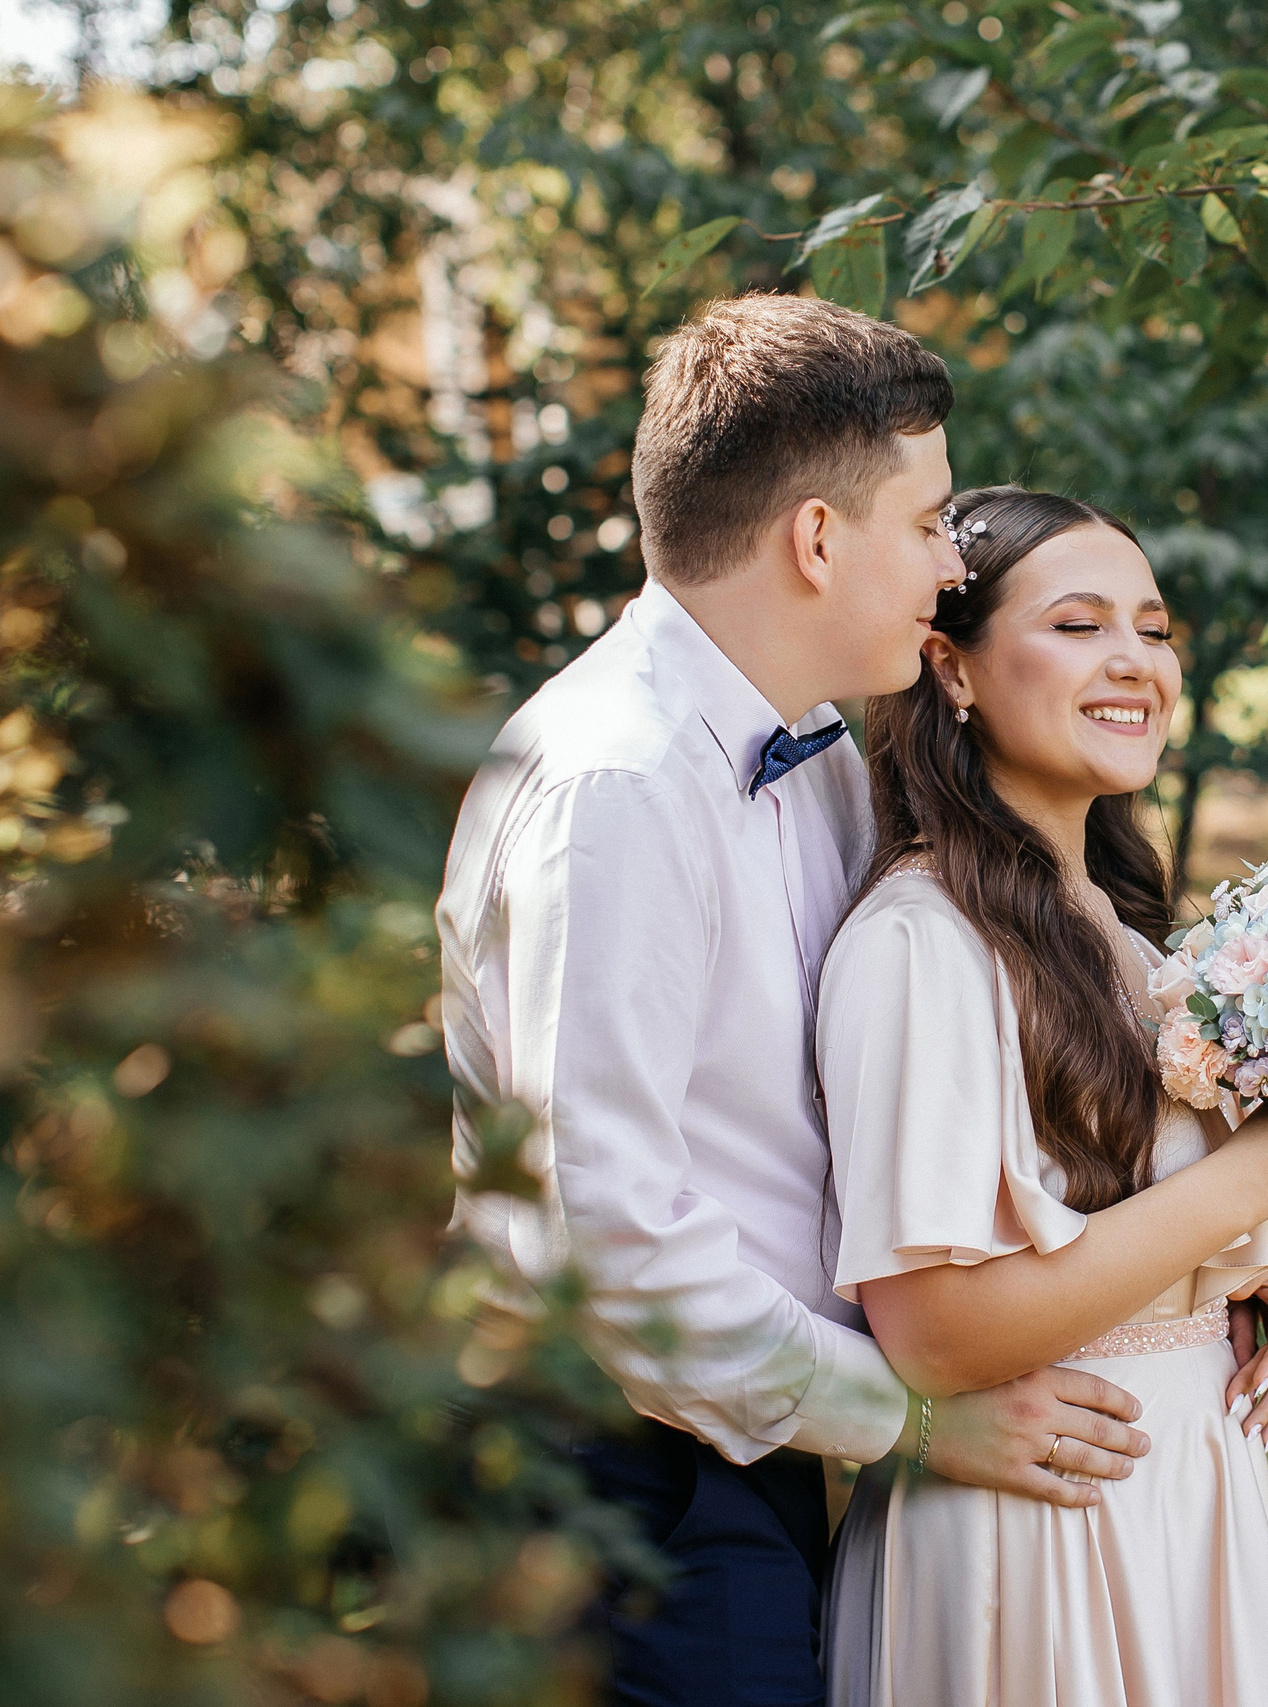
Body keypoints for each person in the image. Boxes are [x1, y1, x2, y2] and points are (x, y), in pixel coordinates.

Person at [434, 300, 1161, 1707]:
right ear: (818, 539)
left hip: (752, 1435)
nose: (951, 569)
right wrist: (916, 1414)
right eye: (930, 522)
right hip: (614, 1477)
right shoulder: (620, 785)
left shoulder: (815, 745)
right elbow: (609, 1233)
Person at [819, 486, 1268, 1705]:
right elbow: (929, 1332)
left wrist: (1266, 1264)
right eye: (1079, 625)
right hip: (1036, 1521)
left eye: (1153, 626)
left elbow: (1135, 1222)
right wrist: (1254, 1182)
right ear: (952, 669)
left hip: (1184, 1489)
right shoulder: (925, 941)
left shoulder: (1127, 941)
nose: (1135, 660)